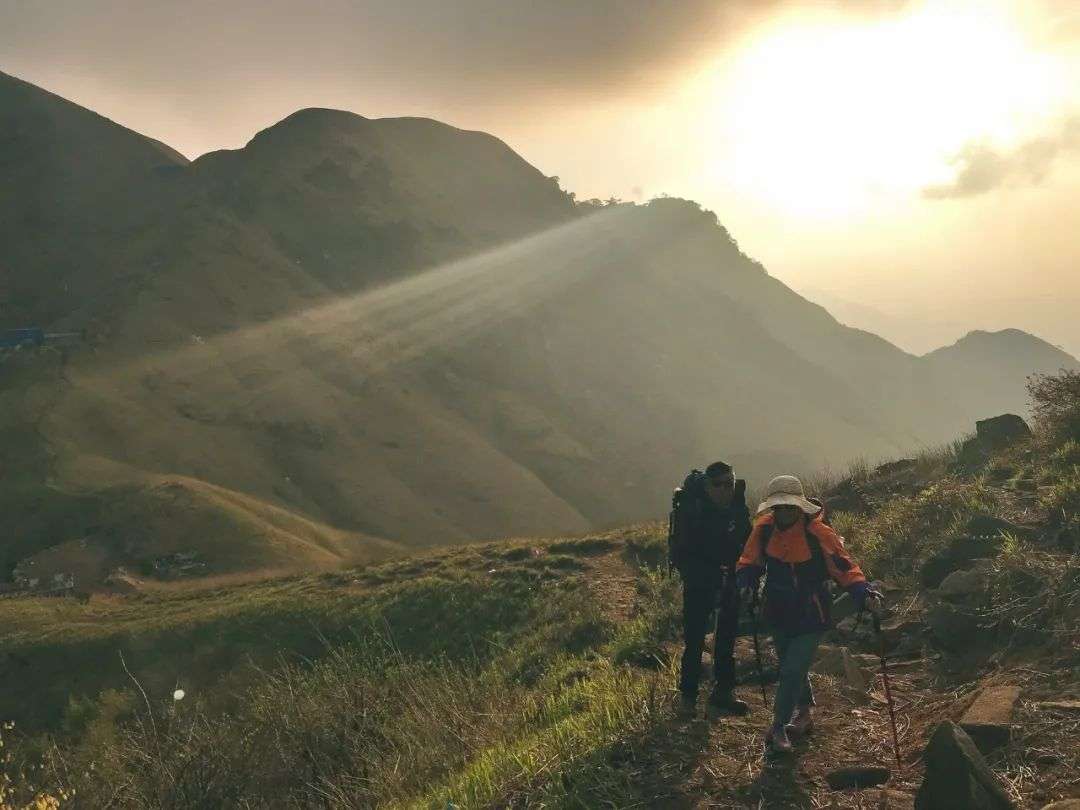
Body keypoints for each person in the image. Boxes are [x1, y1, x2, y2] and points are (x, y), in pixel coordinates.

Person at [736, 475, 882, 753]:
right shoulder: (764, 529)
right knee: (790, 665)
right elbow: (749, 560)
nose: (783, 512)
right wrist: (745, 583)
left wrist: (864, 592)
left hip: (811, 612)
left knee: (792, 669)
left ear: (800, 507)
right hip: (776, 609)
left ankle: (778, 727)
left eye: (789, 507)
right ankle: (804, 714)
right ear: (772, 509)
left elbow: (844, 567)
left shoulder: (819, 533)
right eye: (778, 507)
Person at [668, 461, 753, 718]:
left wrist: (746, 572)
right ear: (707, 485)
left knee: (727, 636)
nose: (726, 490)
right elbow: (682, 553)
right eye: (720, 485)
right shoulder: (692, 511)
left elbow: (748, 540)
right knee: (694, 639)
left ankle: (723, 691)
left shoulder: (737, 507)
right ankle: (688, 696)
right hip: (699, 581)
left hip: (729, 579)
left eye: (730, 483)